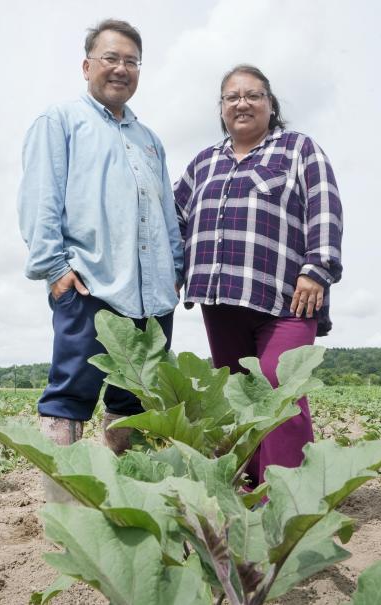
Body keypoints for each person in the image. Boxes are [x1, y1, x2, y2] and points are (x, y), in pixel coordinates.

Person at [17, 20, 183, 474]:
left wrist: (176, 269)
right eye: (111, 58)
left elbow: (166, 209)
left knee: (134, 395)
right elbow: (40, 199)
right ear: (87, 64)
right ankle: (65, 501)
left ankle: (126, 488)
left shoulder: (149, 139)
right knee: (71, 392)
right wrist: (54, 269)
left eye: (131, 61)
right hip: (91, 284)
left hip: (153, 293)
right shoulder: (61, 121)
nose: (121, 68)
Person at [174, 64, 343, 486]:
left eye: (253, 95)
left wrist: (317, 269)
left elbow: (325, 206)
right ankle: (248, 483)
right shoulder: (202, 163)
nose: (242, 103)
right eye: (232, 97)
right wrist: (174, 270)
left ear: (271, 105)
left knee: (278, 385)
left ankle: (288, 490)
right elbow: (173, 219)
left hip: (288, 297)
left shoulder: (298, 149)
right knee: (237, 393)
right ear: (222, 109)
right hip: (222, 296)